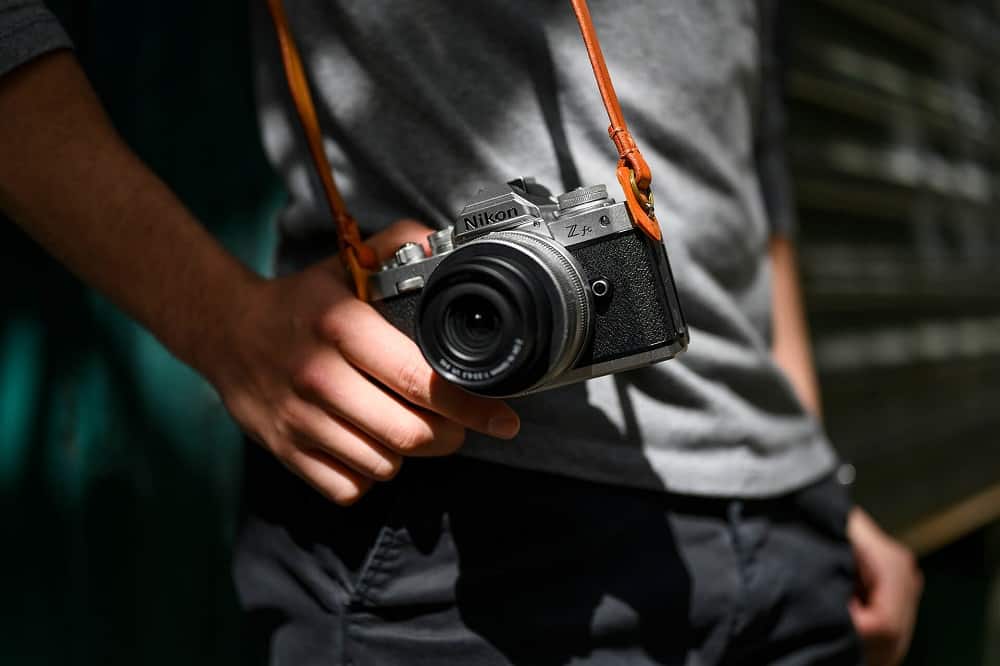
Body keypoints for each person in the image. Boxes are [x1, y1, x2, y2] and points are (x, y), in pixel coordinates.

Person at [0, 1, 922, 664]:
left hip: (795, 533)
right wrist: (222, 322)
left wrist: (815, 468)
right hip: (454, 535)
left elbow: (746, 168)